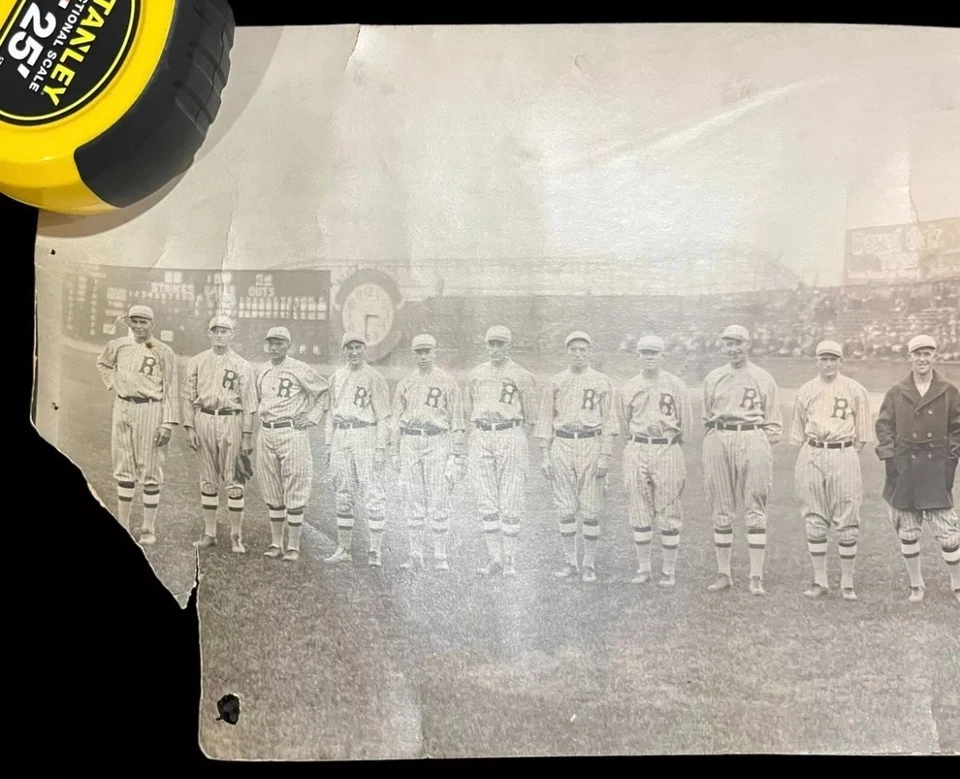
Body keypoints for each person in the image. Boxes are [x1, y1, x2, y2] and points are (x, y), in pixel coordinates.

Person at [875, 334, 960, 604]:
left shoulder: (948, 390)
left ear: (935, 356)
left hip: (936, 467)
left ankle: (957, 585)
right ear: (909, 357)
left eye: (927, 353)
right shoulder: (897, 391)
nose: (922, 359)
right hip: (906, 467)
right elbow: (884, 426)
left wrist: (950, 459)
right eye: (917, 354)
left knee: (948, 532)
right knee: (908, 529)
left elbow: (957, 429)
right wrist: (891, 459)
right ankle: (916, 585)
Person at [788, 340, 872, 600]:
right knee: (814, 516)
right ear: (817, 361)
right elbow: (797, 433)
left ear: (840, 362)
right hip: (812, 451)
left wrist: (844, 453)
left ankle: (847, 582)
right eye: (823, 358)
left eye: (833, 359)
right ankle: (820, 580)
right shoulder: (806, 390)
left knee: (847, 516)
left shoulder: (855, 389)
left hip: (844, 452)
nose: (828, 363)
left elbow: (862, 434)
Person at [701, 325, 782, 595]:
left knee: (755, 504)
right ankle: (724, 573)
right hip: (720, 436)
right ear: (722, 347)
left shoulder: (762, 377)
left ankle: (755, 576)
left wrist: (758, 443)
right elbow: (706, 415)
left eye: (738, 343)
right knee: (721, 507)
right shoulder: (714, 377)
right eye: (728, 343)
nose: (733, 348)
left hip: (752, 435)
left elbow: (773, 422)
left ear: (748, 345)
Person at [535, 331, 618, 583]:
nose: (578, 354)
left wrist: (605, 454)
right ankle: (570, 562)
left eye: (583, 350)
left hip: (590, 442)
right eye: (574, 350)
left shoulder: (602, 380)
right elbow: (545, 419)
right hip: (561, 443)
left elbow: (609, 421)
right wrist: (545, 454)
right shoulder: (556, 381)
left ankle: (589, 564)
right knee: (565, 507)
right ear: (567, 352)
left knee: (591, 508)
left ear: (589, 352)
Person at [96, 305, 179, 545]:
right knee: (123, 466)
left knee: (150, 467)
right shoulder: (118, 345)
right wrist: (114, 383)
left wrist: (167, 423)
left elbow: (171, 389)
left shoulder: (163, 351)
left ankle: (148, 528)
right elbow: (103, 363)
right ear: (129, 323)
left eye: (144, 322)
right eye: (135, 322)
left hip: (150, 408)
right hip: (122, 407)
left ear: (152, 324)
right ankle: (122, 526)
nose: (139, 326)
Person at [618, 335, 691, 587]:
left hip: (667, 447)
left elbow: (686, 426)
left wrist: (669, 445)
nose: (649, 357)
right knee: (638, 507)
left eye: (654, 353)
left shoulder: (676, 385)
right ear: (638, 355)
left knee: (669, 507)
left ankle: (668, 570)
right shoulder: (629, 386)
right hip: (637, 446)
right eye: (644, 352)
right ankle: (644, 568)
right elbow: (623, 424)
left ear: (663, 356)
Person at [464, 326, 537, 576]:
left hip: (511, 432)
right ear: (486, 346)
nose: (495, 349)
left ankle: (510, 560)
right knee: (486, 498)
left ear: (509, 346)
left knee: (511, 496)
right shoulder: (476, 374)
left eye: (500, 344)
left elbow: (531, 417)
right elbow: (468, 410)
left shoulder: (522, 375)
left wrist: (514, 437)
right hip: (482, 433)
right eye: (491, 344)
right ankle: (494, 557)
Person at [390, 334, 466, 572]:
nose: (423, 357)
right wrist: (394, 450)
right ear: (412, 354)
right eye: (418, 352)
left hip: (437, 440)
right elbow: (395, 420)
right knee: (412, 496)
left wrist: (457, 454)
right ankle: (415, 554)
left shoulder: (447, 382)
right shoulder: (405, 383)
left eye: (427, 352)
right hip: (410, 440)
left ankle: (440, 556)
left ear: (435, 352)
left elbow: (458, 421)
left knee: (439, 495)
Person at [181, 315, 257, 553]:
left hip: (231, 419)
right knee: (207, 479)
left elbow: (249, 404)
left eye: (224, 331)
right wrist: (189, 427)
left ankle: (236, 536)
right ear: (209, 333)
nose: (219, 335)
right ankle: (210, 533)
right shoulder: (197, 361)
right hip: (204, 418)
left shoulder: (242, 365)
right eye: (215, 331)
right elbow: (187, 396)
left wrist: (246, 436)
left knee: (234, 480)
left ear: (231, 334)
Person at [254, 327, 329, 562]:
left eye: (279, 343)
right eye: (271, 343)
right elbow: (259, 399)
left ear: (288, 346)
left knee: (295, 486)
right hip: (267, 432)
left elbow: (324, 392)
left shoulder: (299, 368)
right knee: (271, 487)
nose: (274, 347)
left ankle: (293, 545)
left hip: (292, 431)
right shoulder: (263, 370)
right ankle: (276, 543)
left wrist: (311, 417)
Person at [322, 333, 392, 567]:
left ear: (364, 349)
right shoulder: (337, 377)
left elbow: (384, 417)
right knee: (342, 490)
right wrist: (329, 444)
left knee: (373, 490)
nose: (354, 352)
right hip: (342, 434)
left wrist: (381, 447)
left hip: (365, 434)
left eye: (358, 347)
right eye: (349, 348)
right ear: (344, 350)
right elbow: (331, 414)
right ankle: (344, 548)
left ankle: (375, 550)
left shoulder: (374, 377)